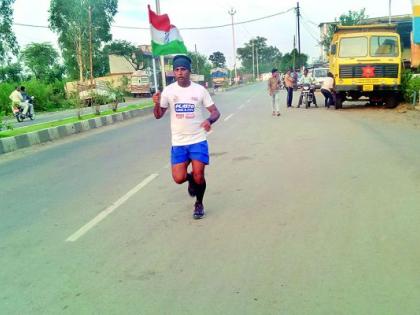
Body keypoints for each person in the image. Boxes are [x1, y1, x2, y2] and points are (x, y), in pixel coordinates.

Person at [153, 55, 221, 220]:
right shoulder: (169, 91)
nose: (180, 72)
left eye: (183, 69)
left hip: (197, 140)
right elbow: (158, 115)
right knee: (179, 178)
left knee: (199, 175)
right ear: (174, 72)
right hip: (178, 142)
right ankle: (190, 179)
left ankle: (199, 203)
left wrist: (209, 120)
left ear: (189, 71)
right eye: (177, 70)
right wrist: (156, 103)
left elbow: (215, 112)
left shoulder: (199, 90)